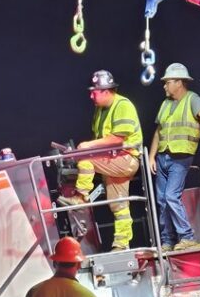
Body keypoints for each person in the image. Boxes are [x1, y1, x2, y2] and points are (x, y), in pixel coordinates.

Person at [60, 70, 142, 251]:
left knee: (86, 159)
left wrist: (87, 147)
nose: (91, 96)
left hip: (126, 159)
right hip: (113, 161)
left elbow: (117, 139)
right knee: (118, 206)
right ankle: (121, 244)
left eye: (94, 92)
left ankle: (81, 198)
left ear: (106, 91)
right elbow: (102, 140)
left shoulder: (122, 105)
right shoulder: (100, 111)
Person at [148, 63, 200, 252]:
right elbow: (158, 131)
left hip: (181, 157)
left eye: (167, 82)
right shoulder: (165, 104)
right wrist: (151, 156)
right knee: (162, 200)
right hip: (163, 157)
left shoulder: (192, 99)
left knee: (171, 196)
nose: (164, 86)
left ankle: (187, 237)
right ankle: (168, 241)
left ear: (179, 82)